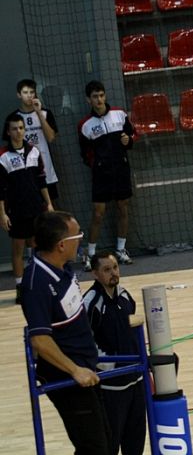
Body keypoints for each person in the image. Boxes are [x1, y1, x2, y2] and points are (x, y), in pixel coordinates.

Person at [21, 211, 111, 454]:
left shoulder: (64, 267)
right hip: (67, 377)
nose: (81, 238)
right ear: (61, 245)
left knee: (106, 442)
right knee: (94, 449)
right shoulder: (36, 283)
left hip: (86, 368)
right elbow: (40, 340)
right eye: (77, 235)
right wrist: (75, 370)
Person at [83, 250, 146, 455]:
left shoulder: (125, 295)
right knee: (110, 445)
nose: (114, 273)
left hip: (136, 381)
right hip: (111, 387)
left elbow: (133, 330)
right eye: (107, 270)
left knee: (135, 444)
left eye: (115, 268)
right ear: (95, 274)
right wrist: (110, 365)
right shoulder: (90, 302)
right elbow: (86, 343)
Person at [78, 80, 135, 271]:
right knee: (98, 213)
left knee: (123, 208)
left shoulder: (120, 114)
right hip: (101, 174)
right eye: (95, 96)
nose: (99, 99)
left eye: (101, 95)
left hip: (121, 170)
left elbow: (132, 136)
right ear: (88, 99)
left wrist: (128, 141)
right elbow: (85, 154)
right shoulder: (85, 125)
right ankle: (91, 254)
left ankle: (121, 249)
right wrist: (97, 165)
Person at [0, 113, 53, 304]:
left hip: (36, 208)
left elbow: (41, 181)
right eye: (14, 128)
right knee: (18, 249)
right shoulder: (3, 157)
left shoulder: (34, 151)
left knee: (37, 246)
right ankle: (20, 287)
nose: (19, 131)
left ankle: (37, 284)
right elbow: (0, 189)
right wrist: (2, 214)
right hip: (16, 211)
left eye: (21, 128)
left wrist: (49, 204)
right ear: (8, 132)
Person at [11, 79, 60, 202]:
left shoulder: (46, 113)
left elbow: (51, 138)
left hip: (45, 167)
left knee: (51, 206)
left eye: (32, 92)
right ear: (19, 95)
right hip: (25, 169)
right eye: (25, 92)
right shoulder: (13, 118)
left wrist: (38, 113)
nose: (29, 96)